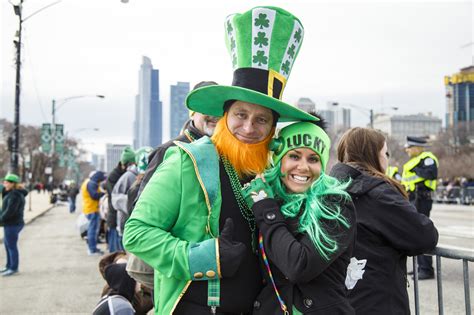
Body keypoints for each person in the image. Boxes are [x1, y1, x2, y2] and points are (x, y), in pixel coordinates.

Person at [123, 6, 316, 314]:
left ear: (272, 128)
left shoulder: (274, 172)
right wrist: (201, 257)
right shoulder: (187, 161)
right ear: (225, 117)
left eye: (261, 119)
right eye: (240, 115)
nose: (249, 128)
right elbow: (137, 232)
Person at [241, 116, 356, 314]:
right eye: (294, 156)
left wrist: (267, 211)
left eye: (313, 159)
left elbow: (298, 266)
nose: (303, 167)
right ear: (279, 160)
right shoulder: (267, 197)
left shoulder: (336, 205)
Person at [330, 127, 439, 314]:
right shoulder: (378, 195)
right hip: (377, 301)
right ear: (373, 156)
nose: (387, 159)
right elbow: (424, 235)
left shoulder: (328, 192)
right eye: (385, 153)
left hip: (339, 301)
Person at [125, 81, 220, 291]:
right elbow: (141, 209)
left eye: (219, 108)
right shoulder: (170, 150)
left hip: (212, 270)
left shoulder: (225, 152)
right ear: (192, 111)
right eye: (206, 107)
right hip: (176, 265)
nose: (214, 114)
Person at [401, 136, 439, 280]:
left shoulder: (427, 158)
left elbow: (431, 174)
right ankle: (420, 266)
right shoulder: (413, 161)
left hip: (421, 197)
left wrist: (416, 170)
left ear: (417, 147)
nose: (407, 150)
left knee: (421, 230)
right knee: (414, 231)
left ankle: (427, 269)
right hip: (413, 198)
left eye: (409, 147)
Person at [106, 146, 136, 253]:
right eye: (132, 164)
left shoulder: (123, 174)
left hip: (121, 217)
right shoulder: (115, 176)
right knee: (116, 252)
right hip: (115, 217)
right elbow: (115, 198)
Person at [0, 173, 28, 277]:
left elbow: (9, 212)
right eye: (4, 181)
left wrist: (1, 218)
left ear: (12, 184)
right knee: (8, 245)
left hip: (13, 223)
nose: (4, 183)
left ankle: (13, 268)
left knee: (11, 246)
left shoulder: (14, 195)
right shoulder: (10, 192)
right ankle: (9, 266)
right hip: (11, 223)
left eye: (6, 182)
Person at [82, 171, 106, 255]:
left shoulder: (89, 182)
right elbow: (94, 195)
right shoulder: (91, 183)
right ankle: (92, 250)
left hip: (91, 209)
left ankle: (93, 248)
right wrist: (104, 194)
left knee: (93, 230)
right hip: (92, 210)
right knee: (92, 230)